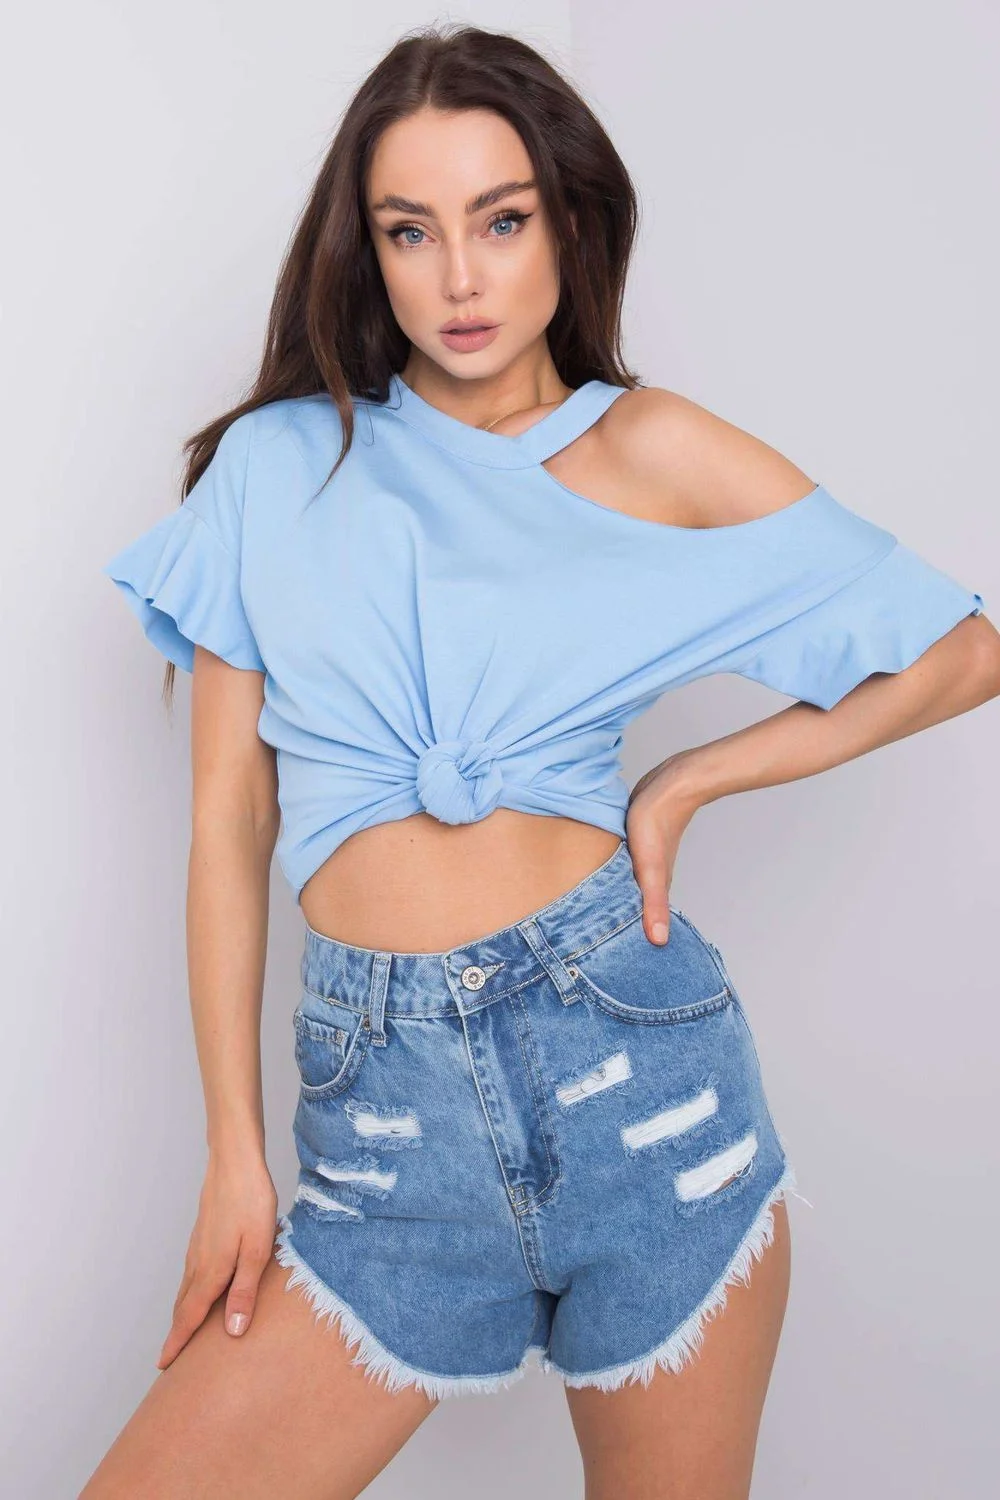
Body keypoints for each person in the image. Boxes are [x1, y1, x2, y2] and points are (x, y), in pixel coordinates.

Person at [83, 22, 997, 1500]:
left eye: (500, 222)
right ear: (367, 252)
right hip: (383, 1137)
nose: (460, 277)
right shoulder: (274, 467)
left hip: (644, 1085)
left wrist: (689, 780)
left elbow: (959, 649)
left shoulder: (649, 450)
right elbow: (226, 822)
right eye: (411, 231)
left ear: (568, 223)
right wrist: (232, 1155)